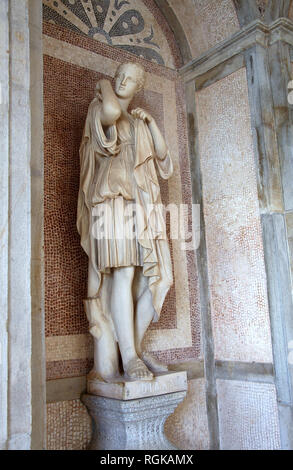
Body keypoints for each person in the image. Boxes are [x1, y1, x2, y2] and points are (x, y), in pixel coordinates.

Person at [77, 62, 173, 382]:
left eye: (129, 79)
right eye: (119, 75)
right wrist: (103, 82)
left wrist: (153, 123)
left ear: (139, 86)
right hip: (111, 201)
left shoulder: (138, 122)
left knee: (160, 279)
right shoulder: (99, 109)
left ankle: (135, 347)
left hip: (140, 205)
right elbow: (109, 110)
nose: (121, 81)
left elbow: (163, 162)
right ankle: (130, 356)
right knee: (124, 273)